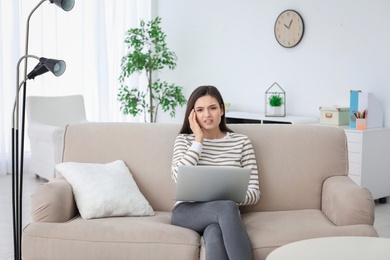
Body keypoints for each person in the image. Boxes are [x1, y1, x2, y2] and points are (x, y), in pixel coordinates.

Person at [170, 85, 260, 260]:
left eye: (212, 108)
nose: (207, 115)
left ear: (222, 110)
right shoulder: (184, 140)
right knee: (226, 207)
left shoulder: (241, 142)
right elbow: (178, 177)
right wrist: (198, 140)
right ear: (192, 114)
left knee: (214, 232)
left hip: (225, 214)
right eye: (200, 110)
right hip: (187, 211)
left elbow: (255, 192)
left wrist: (231, 196)